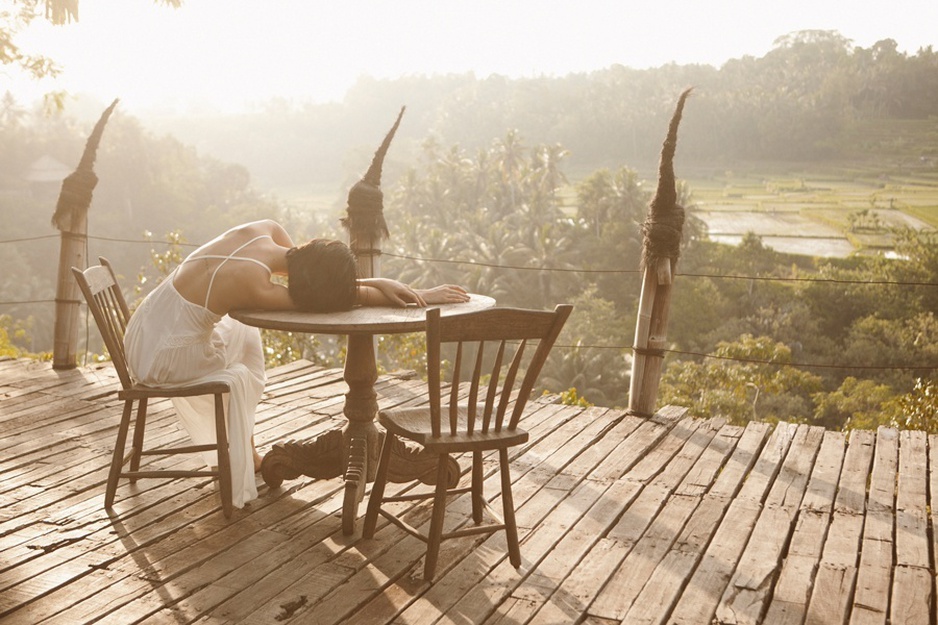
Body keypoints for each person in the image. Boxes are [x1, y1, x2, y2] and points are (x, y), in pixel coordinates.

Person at [123, 219, 469, 509]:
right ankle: (241, 453)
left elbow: (322, 287)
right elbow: (332, 298)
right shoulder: (250, 285)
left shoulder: (265, 229)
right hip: (162, 354)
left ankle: (247, 449)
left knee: (243, 337)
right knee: (241, 364)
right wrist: (409, 291)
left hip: (147, 324)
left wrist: (384, 284)